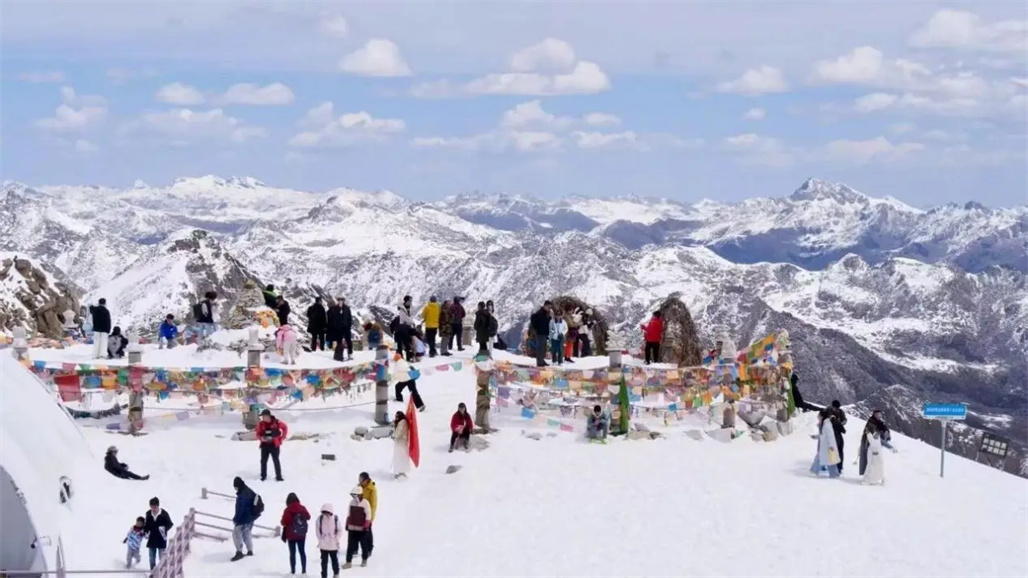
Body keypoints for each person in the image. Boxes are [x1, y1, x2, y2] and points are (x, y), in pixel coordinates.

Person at [230, 477, 263, 561]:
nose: (235, 489)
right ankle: (250, 550)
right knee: (247, 533)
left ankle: (239, 552)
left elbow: (240, 509)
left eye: (235, 487)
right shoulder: (249, 490)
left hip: (243, 519)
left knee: (236, 535)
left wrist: (236, 519)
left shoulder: (242, 495)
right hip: (251, 518)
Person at [342, 486, 373, 569]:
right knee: (350, 546)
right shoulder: (351, 502)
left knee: (364, 545)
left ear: (360, 494)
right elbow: (349, 514)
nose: (354, 497)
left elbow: (368, 516)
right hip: (352, 528)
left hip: (362, 529)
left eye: (355, 495)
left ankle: (364, 559)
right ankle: (348, 562)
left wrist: (366, 526)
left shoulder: (365, 503)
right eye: (353, 495)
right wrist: (347, 524)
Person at [281, 492, 311, 575]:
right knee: (302, 552)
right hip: (301, 534)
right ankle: (304, 571)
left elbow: (284, 522)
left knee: (292, 553)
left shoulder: (287, 510)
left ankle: (293, 571)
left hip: (291, 535)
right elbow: (308, 517)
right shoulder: (302, 508)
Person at [859, 410, 897, 475]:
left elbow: (884, 427)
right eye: (877, 415)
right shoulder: (871, 423)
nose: (878, 416)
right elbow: (876, 437)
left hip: (873, 443)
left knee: (874, 460)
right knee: (866, 459)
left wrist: (886, 431)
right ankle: (866, 475)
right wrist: (890, 447)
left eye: (879, 415)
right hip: (867, 442)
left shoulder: (878, 422)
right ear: (874, 415)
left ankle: (872, 474)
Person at [256, 409, 288, 481]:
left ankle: (279, 477)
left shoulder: (276, 422)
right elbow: (257, 433)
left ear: (268, 416)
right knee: (263, 461)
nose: (263, 418)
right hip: (264, 445)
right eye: (262, 417)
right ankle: (263, 476)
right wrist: (261, 438)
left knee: (276, 460)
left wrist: (281, 438)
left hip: (274, 445)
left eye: (264, 416)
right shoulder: (261, 424)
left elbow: (285, 427)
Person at [143, 497, 173, 570]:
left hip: (161, 538)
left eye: (155, 507)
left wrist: (164, 528)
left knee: (161, 557)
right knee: (151, 557)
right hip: (152, 538)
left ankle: (162, 572)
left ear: (158, 506)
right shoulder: (148, 514)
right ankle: (153, 571)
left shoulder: (164, 514)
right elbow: (146, 525)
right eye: (152, 506)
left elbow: (170, 524)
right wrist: (145, 532)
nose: (153, 508)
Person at [809, 409, 842, 478]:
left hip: (828, 447)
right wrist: (816, 437)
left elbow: (830, 436)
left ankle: (814, 471)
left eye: (819, 415)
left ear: (822, 416)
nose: (818, 417)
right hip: (826, 447)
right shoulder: (825, 424)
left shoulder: (827, 425)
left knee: (826, 459)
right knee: (830, 460)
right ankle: (834, 474)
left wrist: (831, 446)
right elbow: (823, 435)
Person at [315, 503, 342, 578]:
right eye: (324, 512)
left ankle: (336, 573)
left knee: (334, 560)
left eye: (327, 512)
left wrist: (336, 539)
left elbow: (340, 530)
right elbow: (317, 530)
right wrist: (320, 540)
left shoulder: (335, 519)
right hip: (323, 545)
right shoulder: (320, 519)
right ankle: (324, 575)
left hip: (333, 544)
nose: (326, 514)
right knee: (324, 562)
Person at [358, 472, 377, 554]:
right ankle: (357, 548)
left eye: (361, 479)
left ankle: (369, 548)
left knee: (367, 532)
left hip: (368, 514)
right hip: (359, 513)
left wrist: (370, 518)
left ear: (366, 480)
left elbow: (373, 504)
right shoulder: (359, 487)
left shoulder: (372, 489)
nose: (360, 481)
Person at [827, 400, 847, 473]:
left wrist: (840, 423)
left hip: (838, 432)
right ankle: (831, 466)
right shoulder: (828, 410)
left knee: (839, 449)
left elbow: (845, 420)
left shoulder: (841, 412)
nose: (836, 409)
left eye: (837, 408)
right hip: (829, 432)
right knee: (832, 449)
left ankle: (839, 466)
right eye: (835, 408)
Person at [530, 302, 552, 367]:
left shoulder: (546, 313)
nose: (549, 308)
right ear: (545, 306)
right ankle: (539, 362)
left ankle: (542, 360)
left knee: (543, 348)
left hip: (544, 333)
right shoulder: (540, 313)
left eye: (550, 307)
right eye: (548, 307)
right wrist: (537, 328)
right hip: (540, 333)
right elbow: (535, 319)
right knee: (540, 348)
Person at [392, 411, 411, 479]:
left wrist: (393, 435)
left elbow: (398, 433)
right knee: (401, 458)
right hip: (402, 443)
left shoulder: (402, 423)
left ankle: (401, 473)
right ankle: (401, 472)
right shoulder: (403, 422)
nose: (396, 418)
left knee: (400, 458)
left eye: (397, 417)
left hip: (401, 443)